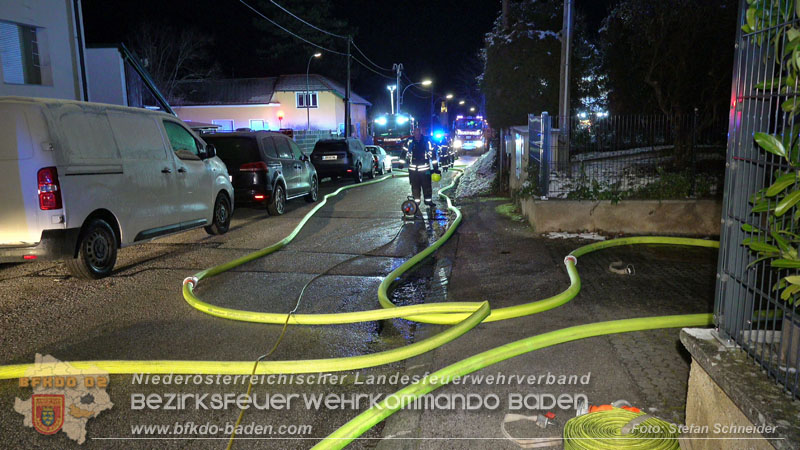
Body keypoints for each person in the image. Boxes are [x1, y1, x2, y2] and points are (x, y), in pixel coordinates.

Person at [406, 127, 438, 207]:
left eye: (418, 133)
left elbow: (433, 155)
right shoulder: (410, 141)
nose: (417, 135)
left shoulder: (427, 141)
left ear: (420, 133)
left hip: (425, 170)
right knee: (415, 187)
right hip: (413, 170)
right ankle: (416, 202)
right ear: (413, 133)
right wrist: (401, 163)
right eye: (415, 133)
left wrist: (435, 168)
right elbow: (404, 152)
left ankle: (428, 201)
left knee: (427, 186)